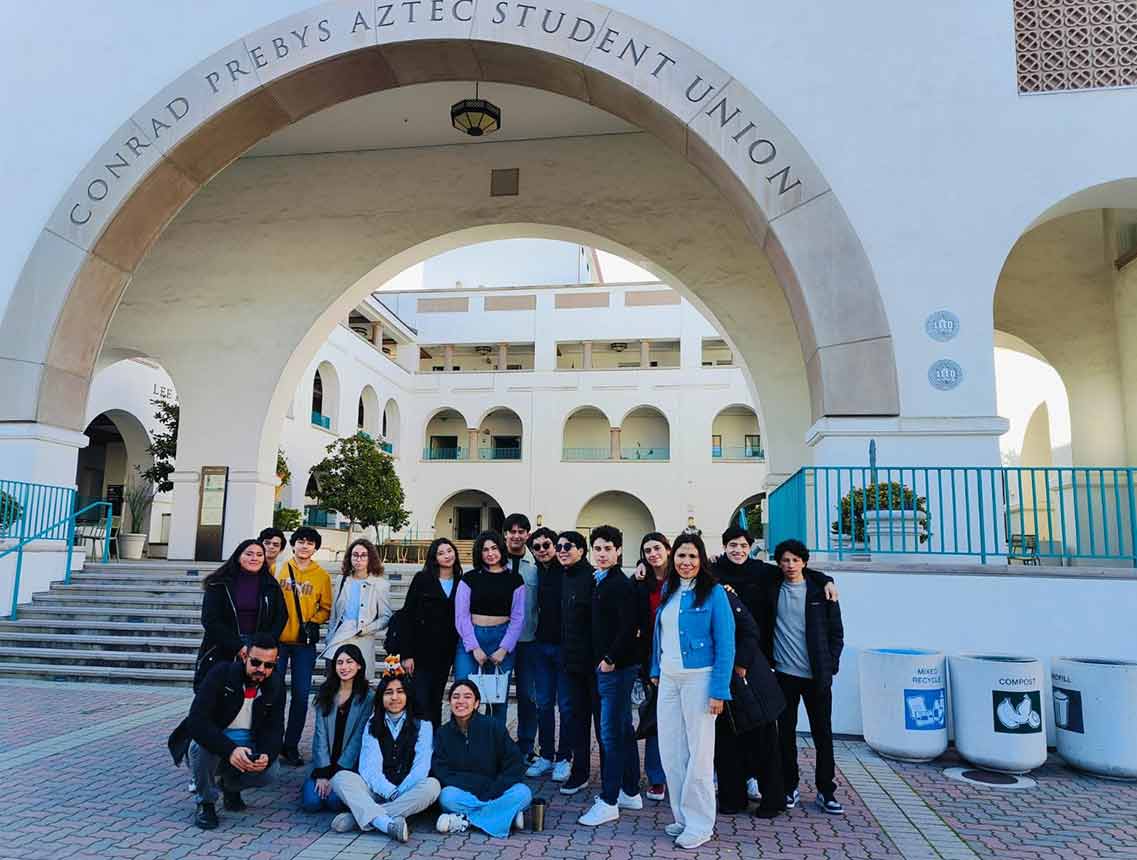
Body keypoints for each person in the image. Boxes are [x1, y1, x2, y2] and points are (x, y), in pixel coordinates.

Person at [712, 526, 837, 803]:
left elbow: (795, 571)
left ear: (750, 546)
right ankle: (761, 781)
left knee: (809, 731)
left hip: (762, 663)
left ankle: (824, 789)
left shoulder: (763, 572)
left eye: (743, 545)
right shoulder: (714, 571)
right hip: (739, 662)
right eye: (732, 545)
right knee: (744, 726)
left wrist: (826, 578)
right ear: (724, 546)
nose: (738, 550)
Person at [650, 532, 735, 851]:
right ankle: (683, 817)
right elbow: (660, 635)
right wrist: (656, 671)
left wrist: (719, 691)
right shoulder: (669, 589)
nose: (686, 563)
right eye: (682, 556)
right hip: (669, 679)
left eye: (692, 557)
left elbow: (726, 644)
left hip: (700, 679)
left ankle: (700, 824)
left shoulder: (714, 594)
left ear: (702, 560)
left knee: (699, 755)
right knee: (672, 752)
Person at [168, 633, 285, 830]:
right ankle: (205, 803)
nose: (261, 669)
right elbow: (197, 721)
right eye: (256, 662)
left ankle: (230, 787)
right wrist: (230, 750)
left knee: (271, 771)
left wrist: (267, 753)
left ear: (276, 663)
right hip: (218, 742)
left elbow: (275, 729)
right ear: (244, 656)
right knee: (200, 749)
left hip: (248, 745)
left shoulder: (276, 685)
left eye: (268, 665)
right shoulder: (221, 674)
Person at [763, 539, 845, 815]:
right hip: (784, 675)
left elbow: (836, 633)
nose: (789, 565)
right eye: (784, 560)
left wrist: (831, 664)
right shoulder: (773, 586)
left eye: (795, 560)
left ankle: (826, 790)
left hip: (816, 676)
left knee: (823, 734)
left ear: (804, 562)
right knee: (785, 735)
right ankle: (790, 786)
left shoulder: (820, 591)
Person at [578, 525, 643, 827]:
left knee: (611, 735)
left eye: (607, 548)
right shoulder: (601, 581)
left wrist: (609, 659)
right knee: (622, 730)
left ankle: (609, 800)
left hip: (615, 669)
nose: (602, 554)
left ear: (618, 551)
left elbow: (629, 628)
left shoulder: (620, 585)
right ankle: (630, 791)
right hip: (608, 667)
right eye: (598, 548)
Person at [329, 671, 442, 842]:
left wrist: (400, 792)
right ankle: (386, 823)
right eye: (388, 693)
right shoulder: (372, 723)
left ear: (408, 695)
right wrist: (390, 792)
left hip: (409, 791)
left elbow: (421, 768)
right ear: (381, 697)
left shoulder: (423, 725)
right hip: (377, 790)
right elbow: (369, 769)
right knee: (341, 778)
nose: (394, 697)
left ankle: (360, 818)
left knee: (432, 786)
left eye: (400, 692)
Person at [713, 583, 786, 819]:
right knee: (726, 745)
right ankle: (732, 798)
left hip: (748, 680)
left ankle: (773, 800)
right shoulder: (687, 595)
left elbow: (750, 630)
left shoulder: (722, 593)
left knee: (764, 743)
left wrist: (741, 664)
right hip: (719, 682)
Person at [432, 680, 532, 838]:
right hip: (465, 794)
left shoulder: (493, 726)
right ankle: (507, 816)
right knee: (446, 796)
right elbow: (442, 771)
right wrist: (476, 787)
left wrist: (494, 788)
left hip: (496, 790)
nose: (461, 701)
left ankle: (465, 820)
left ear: (477, 703)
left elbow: (514, 763)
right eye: (456, 697)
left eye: (467, 697)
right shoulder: (443, 734)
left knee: (523, 792)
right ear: (450, 702)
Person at [453, 530, 525, 728]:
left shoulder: (515, 580)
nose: (490, 553)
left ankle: (494, 750)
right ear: (480, 553)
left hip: (502, 639)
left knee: (497, 700)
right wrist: (473, 646)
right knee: (463, 695)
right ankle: (463, 746)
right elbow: (461, 615)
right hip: (471, 639)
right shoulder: (469, 579)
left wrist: (504, 649)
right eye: (485, 550)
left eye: (494, 548)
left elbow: (518, 618)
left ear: (501, 549)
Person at [194, 539, 287, 690]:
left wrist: (263, 644)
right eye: (249, 554)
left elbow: (281, 616)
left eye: (259, 555)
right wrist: (238, 646)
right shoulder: (218, 583)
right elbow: (210, 620)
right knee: (218, 695)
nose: (254, 558)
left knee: (253, 697)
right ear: (238, 556)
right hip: (223, 646)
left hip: (257, 650)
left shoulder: (271, 585)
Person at [276, 526, 334, 767]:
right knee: (274, 694)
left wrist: (312, 622)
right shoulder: (277, 568)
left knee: (300, 696)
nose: (305, 546)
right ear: (294, 544)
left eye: (310, 543)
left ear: (315, 548)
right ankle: (271, 742)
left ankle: (291, 745)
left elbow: (326, 608)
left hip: (303, 645)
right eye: (301, 541)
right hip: (276, 642)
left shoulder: (322, 576)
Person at [524, 525, 573, 780]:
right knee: (543, 703)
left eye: (547, 545)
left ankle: (564, 757)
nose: (542, 550)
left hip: (565, 647)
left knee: (565, 705)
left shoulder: (567, 570)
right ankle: (546, 755)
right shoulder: (535, 573)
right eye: (537, 547)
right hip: (540, 645)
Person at [302, 643, 374, 813]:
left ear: (359, 665)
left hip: (348, 766)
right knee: (312, 803)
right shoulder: (326, 692)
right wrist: (323, 773)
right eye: (340, 662)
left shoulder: (368, 697)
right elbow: (319, 735)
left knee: (335, 803)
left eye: (349, 662)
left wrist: (338, 773)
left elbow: (358, 737)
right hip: (324, 762)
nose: (344, 667)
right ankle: (313, 782)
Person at [400, 537, 463, 726]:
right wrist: (407, 654)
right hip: (421, 652)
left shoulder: (462, 582)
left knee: (436, 699)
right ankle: (417, 745)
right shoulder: (422, 579)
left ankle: (433, 745)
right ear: (434, 558)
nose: (446, 556)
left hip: (445, 653)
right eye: (441, 553)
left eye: (449, 551)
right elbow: (407, 615)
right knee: (420, 700)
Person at [556, 530, 600, 797]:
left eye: (568, 546)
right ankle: (580, 772)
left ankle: (615, 780)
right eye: (559, 546)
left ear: (582, 550)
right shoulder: (563, 576)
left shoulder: (594, 578)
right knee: (577, 721)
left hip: (595, 665)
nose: (562, 550)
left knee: (603, 725)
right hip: (571, 664)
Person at [634, 532, 672, 802]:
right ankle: (656, 777)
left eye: (657, 548)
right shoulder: (640, 582)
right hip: (652, 660)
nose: (653, 554)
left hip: (683, 658)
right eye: (647, 550)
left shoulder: (682, 577)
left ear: (668, 549)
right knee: (655, 718)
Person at [323, 538, 392, 680]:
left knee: (360, 686)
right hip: (339, 639)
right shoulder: (341, 580)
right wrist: (329, 637)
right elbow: (334, 615)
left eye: (363, 555)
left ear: (370, 558)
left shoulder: (380, 585)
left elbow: (386, 617)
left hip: (362, 639)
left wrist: (365, 629)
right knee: (334, 683)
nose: (358, 559)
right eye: (355, 555)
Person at [502, 513, 539, 762]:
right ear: (505, 533)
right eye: (511, 531)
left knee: (528, 695)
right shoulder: (492, 560)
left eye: (521, 531)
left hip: (528, 641)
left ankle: (526, 746)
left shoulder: (537, 565)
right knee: (498, 695)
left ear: (527, 534)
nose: (516, 536)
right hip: (499, 642)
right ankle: (499, 745)